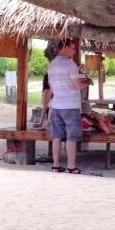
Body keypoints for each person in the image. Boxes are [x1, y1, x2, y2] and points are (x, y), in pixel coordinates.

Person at [47, 38, 90, 173]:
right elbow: (77, 86)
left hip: (56, 105)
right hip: (70, 105)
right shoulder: (70, 65)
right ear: (64, 48)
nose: (74, 51)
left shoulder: (52, 64)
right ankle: (71, 166)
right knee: (72, 137)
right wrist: (87, 82)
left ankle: (56, 165)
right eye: (73, 48)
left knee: (56, 136)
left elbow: (51, 88)